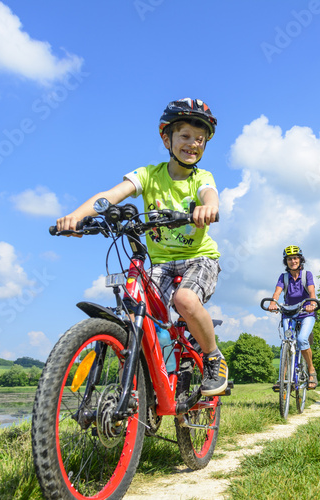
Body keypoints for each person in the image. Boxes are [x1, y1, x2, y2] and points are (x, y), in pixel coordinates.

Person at [56, 98, 228, 396]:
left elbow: (209, 195)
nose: (193, 144)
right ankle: (151, 381)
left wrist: (208, 208)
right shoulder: (148, 175)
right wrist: (76, 217)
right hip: (160, 264)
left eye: (199, 139)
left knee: (185, 301)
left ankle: (213, 357)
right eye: (185, 136)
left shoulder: (201, 178)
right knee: (139, 315)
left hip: (199, 258)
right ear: (167, 138)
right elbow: (109, 197)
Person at [269, 245, 318, 390]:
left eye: (295, 258)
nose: (293, 261)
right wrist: (273, 302)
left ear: (300, 260)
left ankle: (311, 371)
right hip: (289, 312)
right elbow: (277, 292)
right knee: (286, 342)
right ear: (286, 262)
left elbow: (311, 290)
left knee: (302, 339)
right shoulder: (283, 277)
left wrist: (311, 303)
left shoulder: (306, 275)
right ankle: (282, 379)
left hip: (306, 312)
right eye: (290, 259)